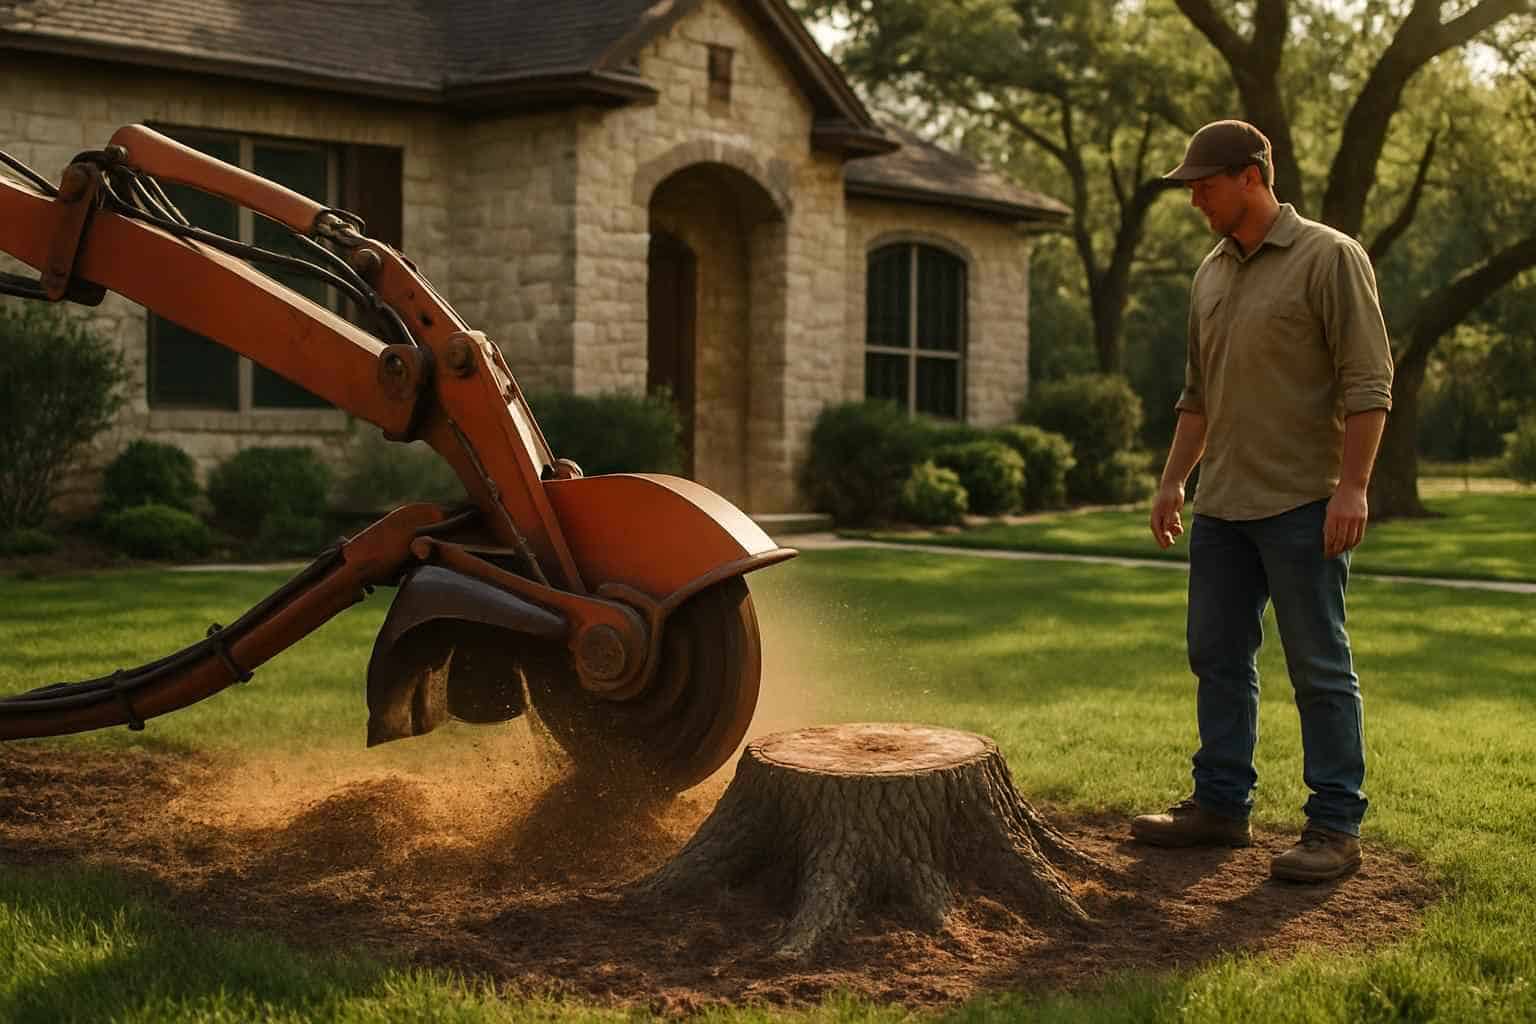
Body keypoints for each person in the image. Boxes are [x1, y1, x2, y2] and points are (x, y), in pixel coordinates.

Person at [1130, 120, 1394, 882]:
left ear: (1251, 175)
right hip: (1222, 507)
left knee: (1318, 667)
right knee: (1217, 659)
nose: (1194, 200)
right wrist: (1175, 478)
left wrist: (1352, 487)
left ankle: (1335, 826)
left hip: (1303, 503)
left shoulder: (1330, 257)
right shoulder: (1209, 273)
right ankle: (1221, 807)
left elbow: (1368, 383)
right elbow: (1196, 394)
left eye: (1204, 186)